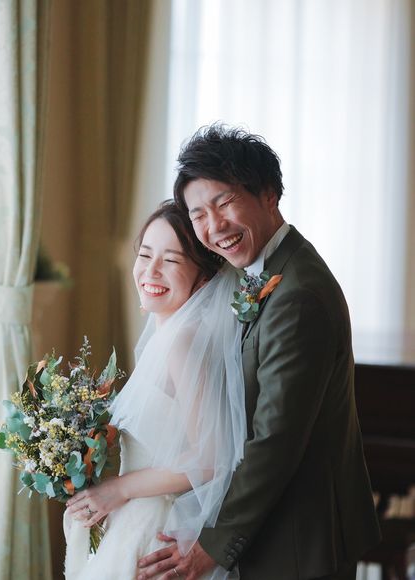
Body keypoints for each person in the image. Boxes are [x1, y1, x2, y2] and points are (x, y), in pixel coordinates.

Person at [137, 124, 381, 580]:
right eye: (199, 214)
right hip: (279, 531)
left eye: (225, 202)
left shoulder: (298, 294)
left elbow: (276, 440)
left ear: (269, 194)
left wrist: (213, 547)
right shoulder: (268, 270)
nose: (214, 227)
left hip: (299, 539)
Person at [63, 201, 246, 580]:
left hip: (155, 530)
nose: (150, 270)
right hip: (134, 517)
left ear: (204, 278)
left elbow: (211, 459)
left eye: (171, 260)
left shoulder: (183, 343)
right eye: (145, 255)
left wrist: (120, 489)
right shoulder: (167, 336)